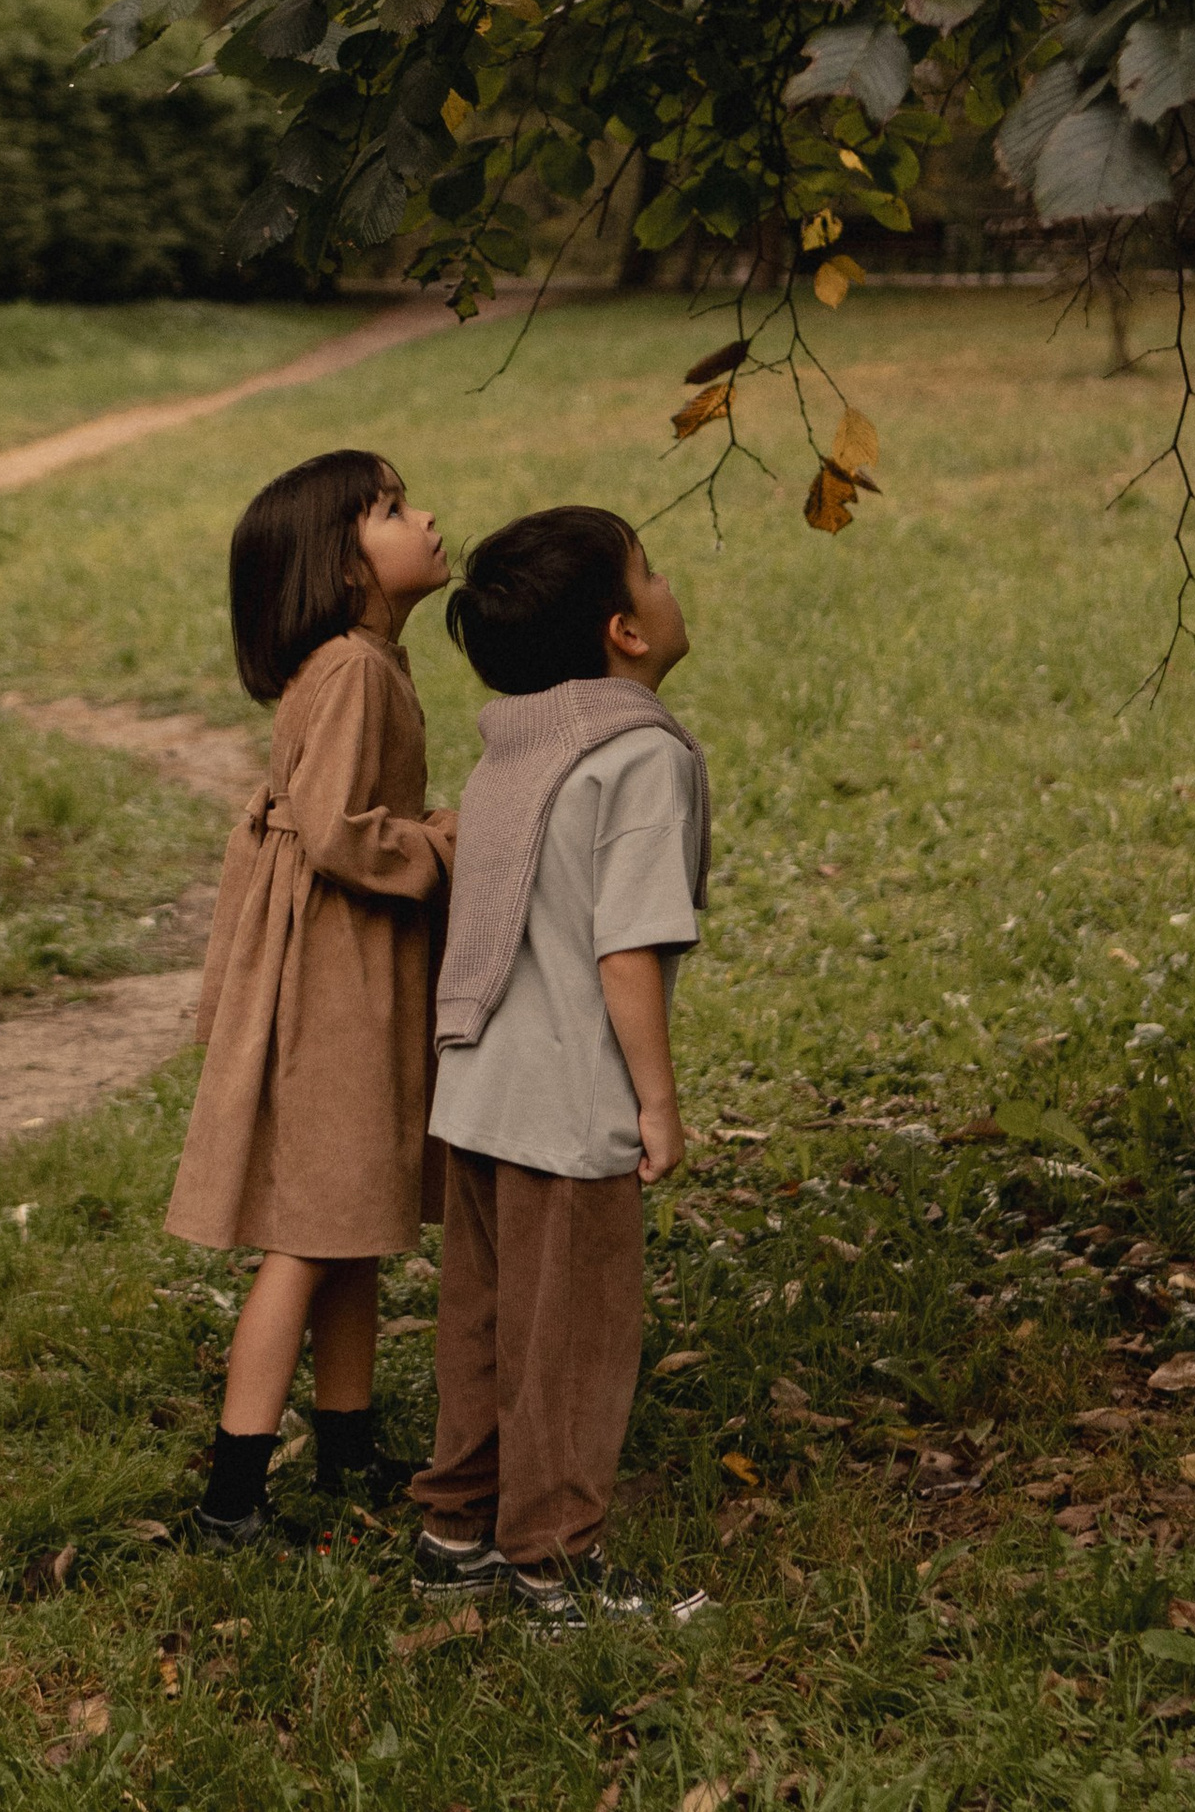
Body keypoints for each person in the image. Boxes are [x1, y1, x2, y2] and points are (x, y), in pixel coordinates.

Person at [409, 504, 709, 1626]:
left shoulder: (517, 745)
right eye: (652, 568)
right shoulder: (636, 759)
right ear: (624, 631)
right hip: (570, 1093)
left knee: (484, 1318)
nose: (669, 581)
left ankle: (456, 1524)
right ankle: (553, 1560)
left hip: (478, 1082)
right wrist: (657, 1100)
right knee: (574, 1331)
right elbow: (624, 946)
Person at [165, 447, 455, 1545]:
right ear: (343, 564)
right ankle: (232, 1496)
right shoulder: (354, 669)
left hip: (346, 969)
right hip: (336, 974)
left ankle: (346, 1447)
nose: (423, 516)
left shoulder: (358, 659)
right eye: (390, 508)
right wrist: (436, 843)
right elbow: (337, 832)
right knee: (307, 1231)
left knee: (349, 1219)